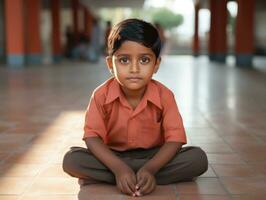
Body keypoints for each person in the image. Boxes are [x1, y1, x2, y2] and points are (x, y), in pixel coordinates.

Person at [62, 18, 208, 197]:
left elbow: (175, 140)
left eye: (144, 60)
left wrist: (151, 168)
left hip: (155, 157)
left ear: (156, 65)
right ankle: (128, 176)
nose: (134, 69)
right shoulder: (101, 95)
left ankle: (136, 176)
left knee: (198, 158)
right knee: (71, 160)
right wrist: (118, 168)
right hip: (112, 157)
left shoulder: (165, 96)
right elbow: (92, 137)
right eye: (124, 60)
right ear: (110, 64)